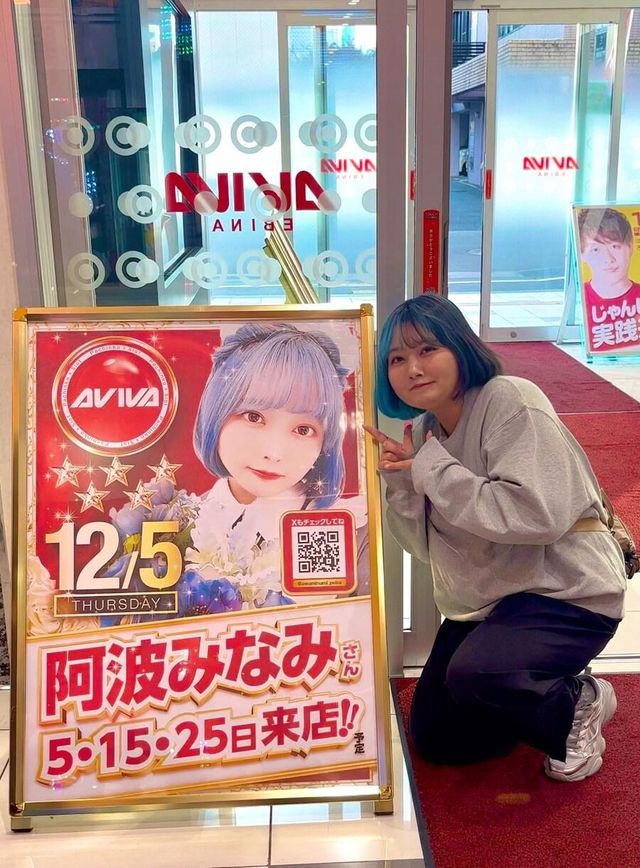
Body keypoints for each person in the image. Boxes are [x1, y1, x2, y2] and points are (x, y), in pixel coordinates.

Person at [365, 294, 626, 782]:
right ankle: (532, 684)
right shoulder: (426, 432)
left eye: (427, 350)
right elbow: (425, 548)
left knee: (479, 674)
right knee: (439, 737)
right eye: (396, 359)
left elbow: (537, 515)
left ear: (460, 347)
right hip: (492, 603)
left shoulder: (510, 398)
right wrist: (403, 484)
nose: (412, 368)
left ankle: (577, 703)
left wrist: (432, 470)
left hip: (566, 593)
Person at [189, 321, 369, 608]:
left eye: (303, 430)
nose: (273, 453)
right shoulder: (179, 523)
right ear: (217, 411)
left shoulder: (352, 528)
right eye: (253, 417)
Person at [577, 207, 640, 304]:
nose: (608, 258)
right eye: (596, 249)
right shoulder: (578, 299)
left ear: (630, 247)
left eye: (615, 246)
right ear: (582, 255)